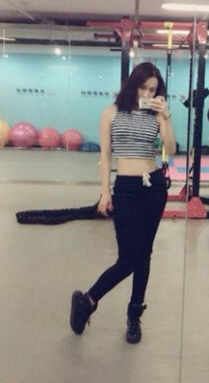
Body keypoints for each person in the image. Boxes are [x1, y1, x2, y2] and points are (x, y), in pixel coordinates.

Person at [70, 61, 176, 344]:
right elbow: (105, 155)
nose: (148, 94)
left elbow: (171, 148)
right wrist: (105, 191)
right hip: (126, 188)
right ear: (132, 85)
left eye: (153, 90)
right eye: (143, 87)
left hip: (153, 187)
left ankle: (134, 315)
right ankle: (89, 299)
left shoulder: (157, 114)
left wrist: (166, 116)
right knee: (128, 258)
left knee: (145, 254)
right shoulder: (111, 112)